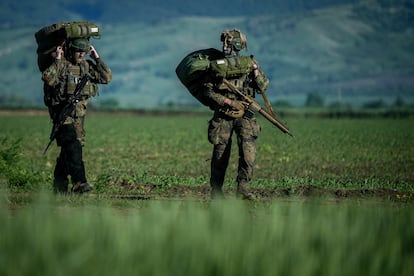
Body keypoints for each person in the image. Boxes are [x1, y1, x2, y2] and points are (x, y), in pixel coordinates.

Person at [202, 29, 269, 200]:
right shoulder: (217, 65)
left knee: (248, 151)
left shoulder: (249, 64)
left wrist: (255, 71)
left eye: (228, 43)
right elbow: (208, 91)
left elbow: (263, 87)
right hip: (223, 113)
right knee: (220, 153)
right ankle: (216, 192)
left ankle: (243, 188)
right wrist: (229, 102)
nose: (225, 46)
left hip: (245, 113)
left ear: (237, 45)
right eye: (224, 43)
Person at [42, 37, 112, 193]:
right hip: (62, 115)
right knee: (73, 147)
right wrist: (58, 60)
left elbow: (106, 77)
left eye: (84, 51)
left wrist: (97, 58)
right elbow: (48, 79)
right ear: (70, 50)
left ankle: (59, 187)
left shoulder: (86, 66)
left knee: (70, 150)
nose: (82, 54)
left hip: (79, 118)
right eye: (78, 51)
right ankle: (80, 182)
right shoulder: (61, 65)